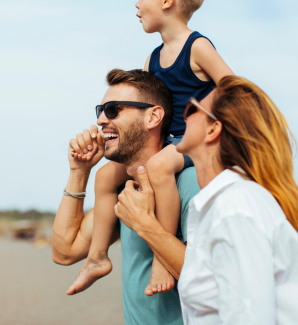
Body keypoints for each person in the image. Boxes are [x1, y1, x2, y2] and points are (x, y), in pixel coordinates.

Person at [70, 0, 234, 297]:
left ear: (167, 0)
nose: (136, 3)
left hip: (192, 139)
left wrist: (204, 111)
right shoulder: (153, 58)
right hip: (164, 139)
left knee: (158, 168)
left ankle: (164, 252)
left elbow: (233, 86)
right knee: (104, 177)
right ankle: (97, 257)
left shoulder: (197, 46)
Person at [115, 76, 298, 324]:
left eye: (191, 108)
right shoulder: (220, 203)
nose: (182, 117)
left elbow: (249, 317)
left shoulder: (236, 208)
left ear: (212, 130)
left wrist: (145, 224)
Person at [52, 69, 201, 325]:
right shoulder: (122, 190)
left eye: (113, 110)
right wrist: (79, 172)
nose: (100, 120)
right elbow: (65, 252)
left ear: (153, 116)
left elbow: (213, 281)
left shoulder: (190, 183)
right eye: (100, 110)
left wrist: (145, 225)